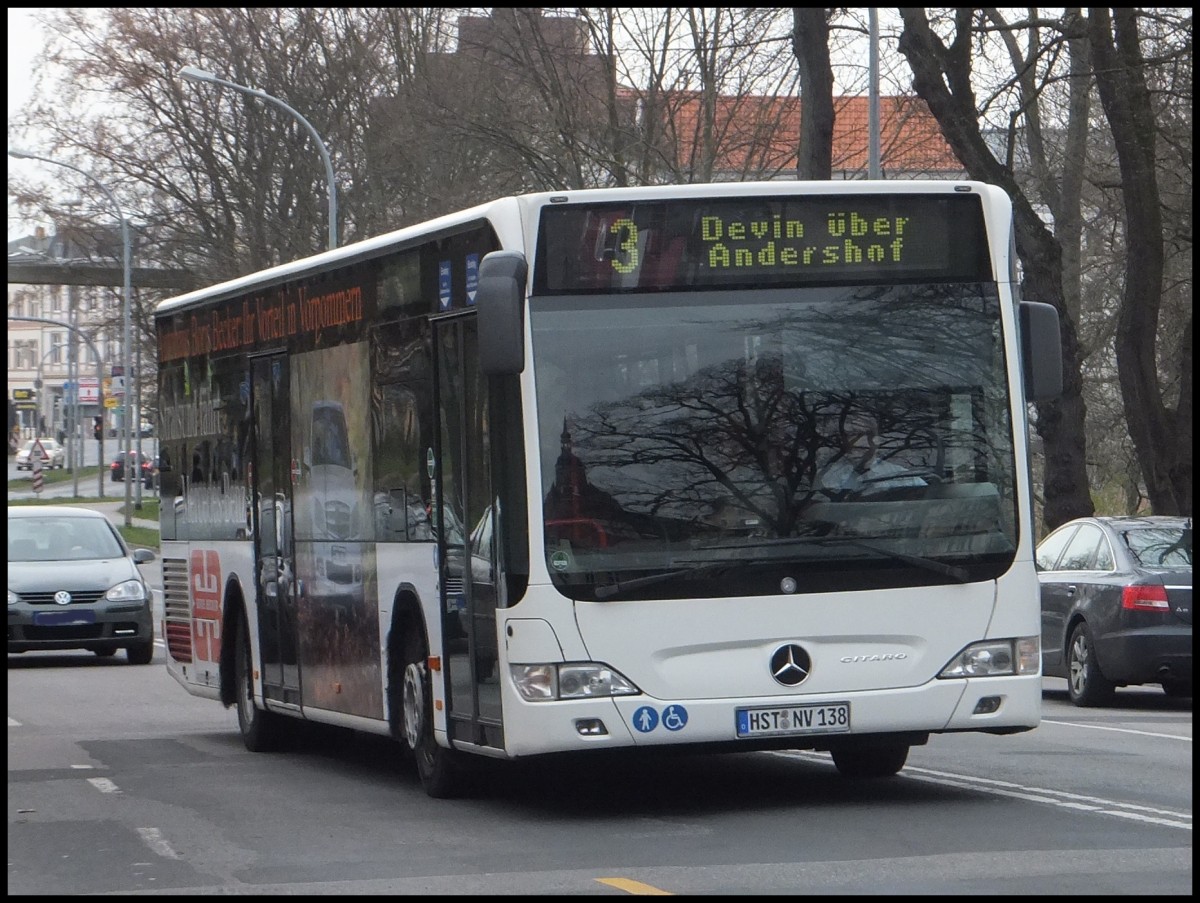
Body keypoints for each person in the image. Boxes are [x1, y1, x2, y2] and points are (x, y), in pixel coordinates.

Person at [815, 411, 927, 498]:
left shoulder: (902, 477)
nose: (854, 443)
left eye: (861, 435)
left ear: (877, 440)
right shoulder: (827, 477)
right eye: (848, 436)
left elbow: (927, 502)